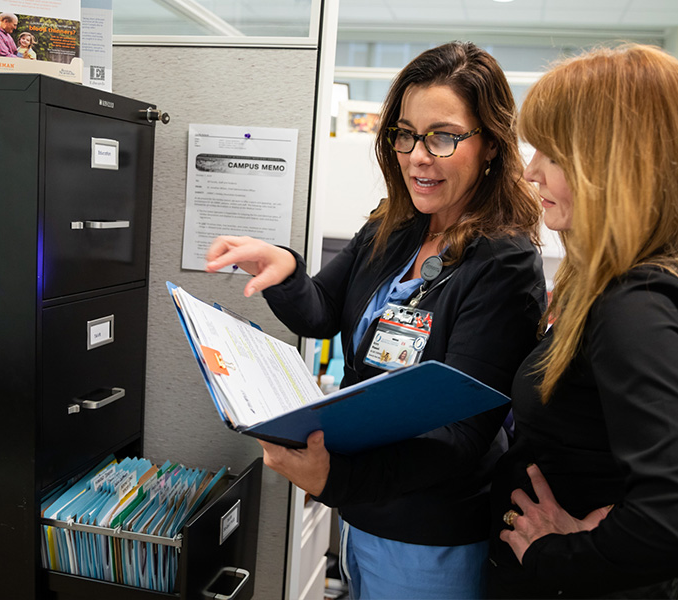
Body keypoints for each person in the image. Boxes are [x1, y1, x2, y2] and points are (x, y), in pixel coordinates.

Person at [205, 41, 546, 599]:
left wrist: (335, 480)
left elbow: (460, 434)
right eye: (405, 134)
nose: (416, 155)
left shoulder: (503, 262)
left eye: (442, 136)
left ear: (490, 145)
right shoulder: (397, 226)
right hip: (364, 515)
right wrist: (286, 270)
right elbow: (322, 312)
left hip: (430, 536)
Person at [487, 44, 678, 599]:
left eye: (551, 154)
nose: (531, 171)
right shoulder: (630, 285)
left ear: (612, 164)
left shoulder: (636, 304)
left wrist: (556, 553)